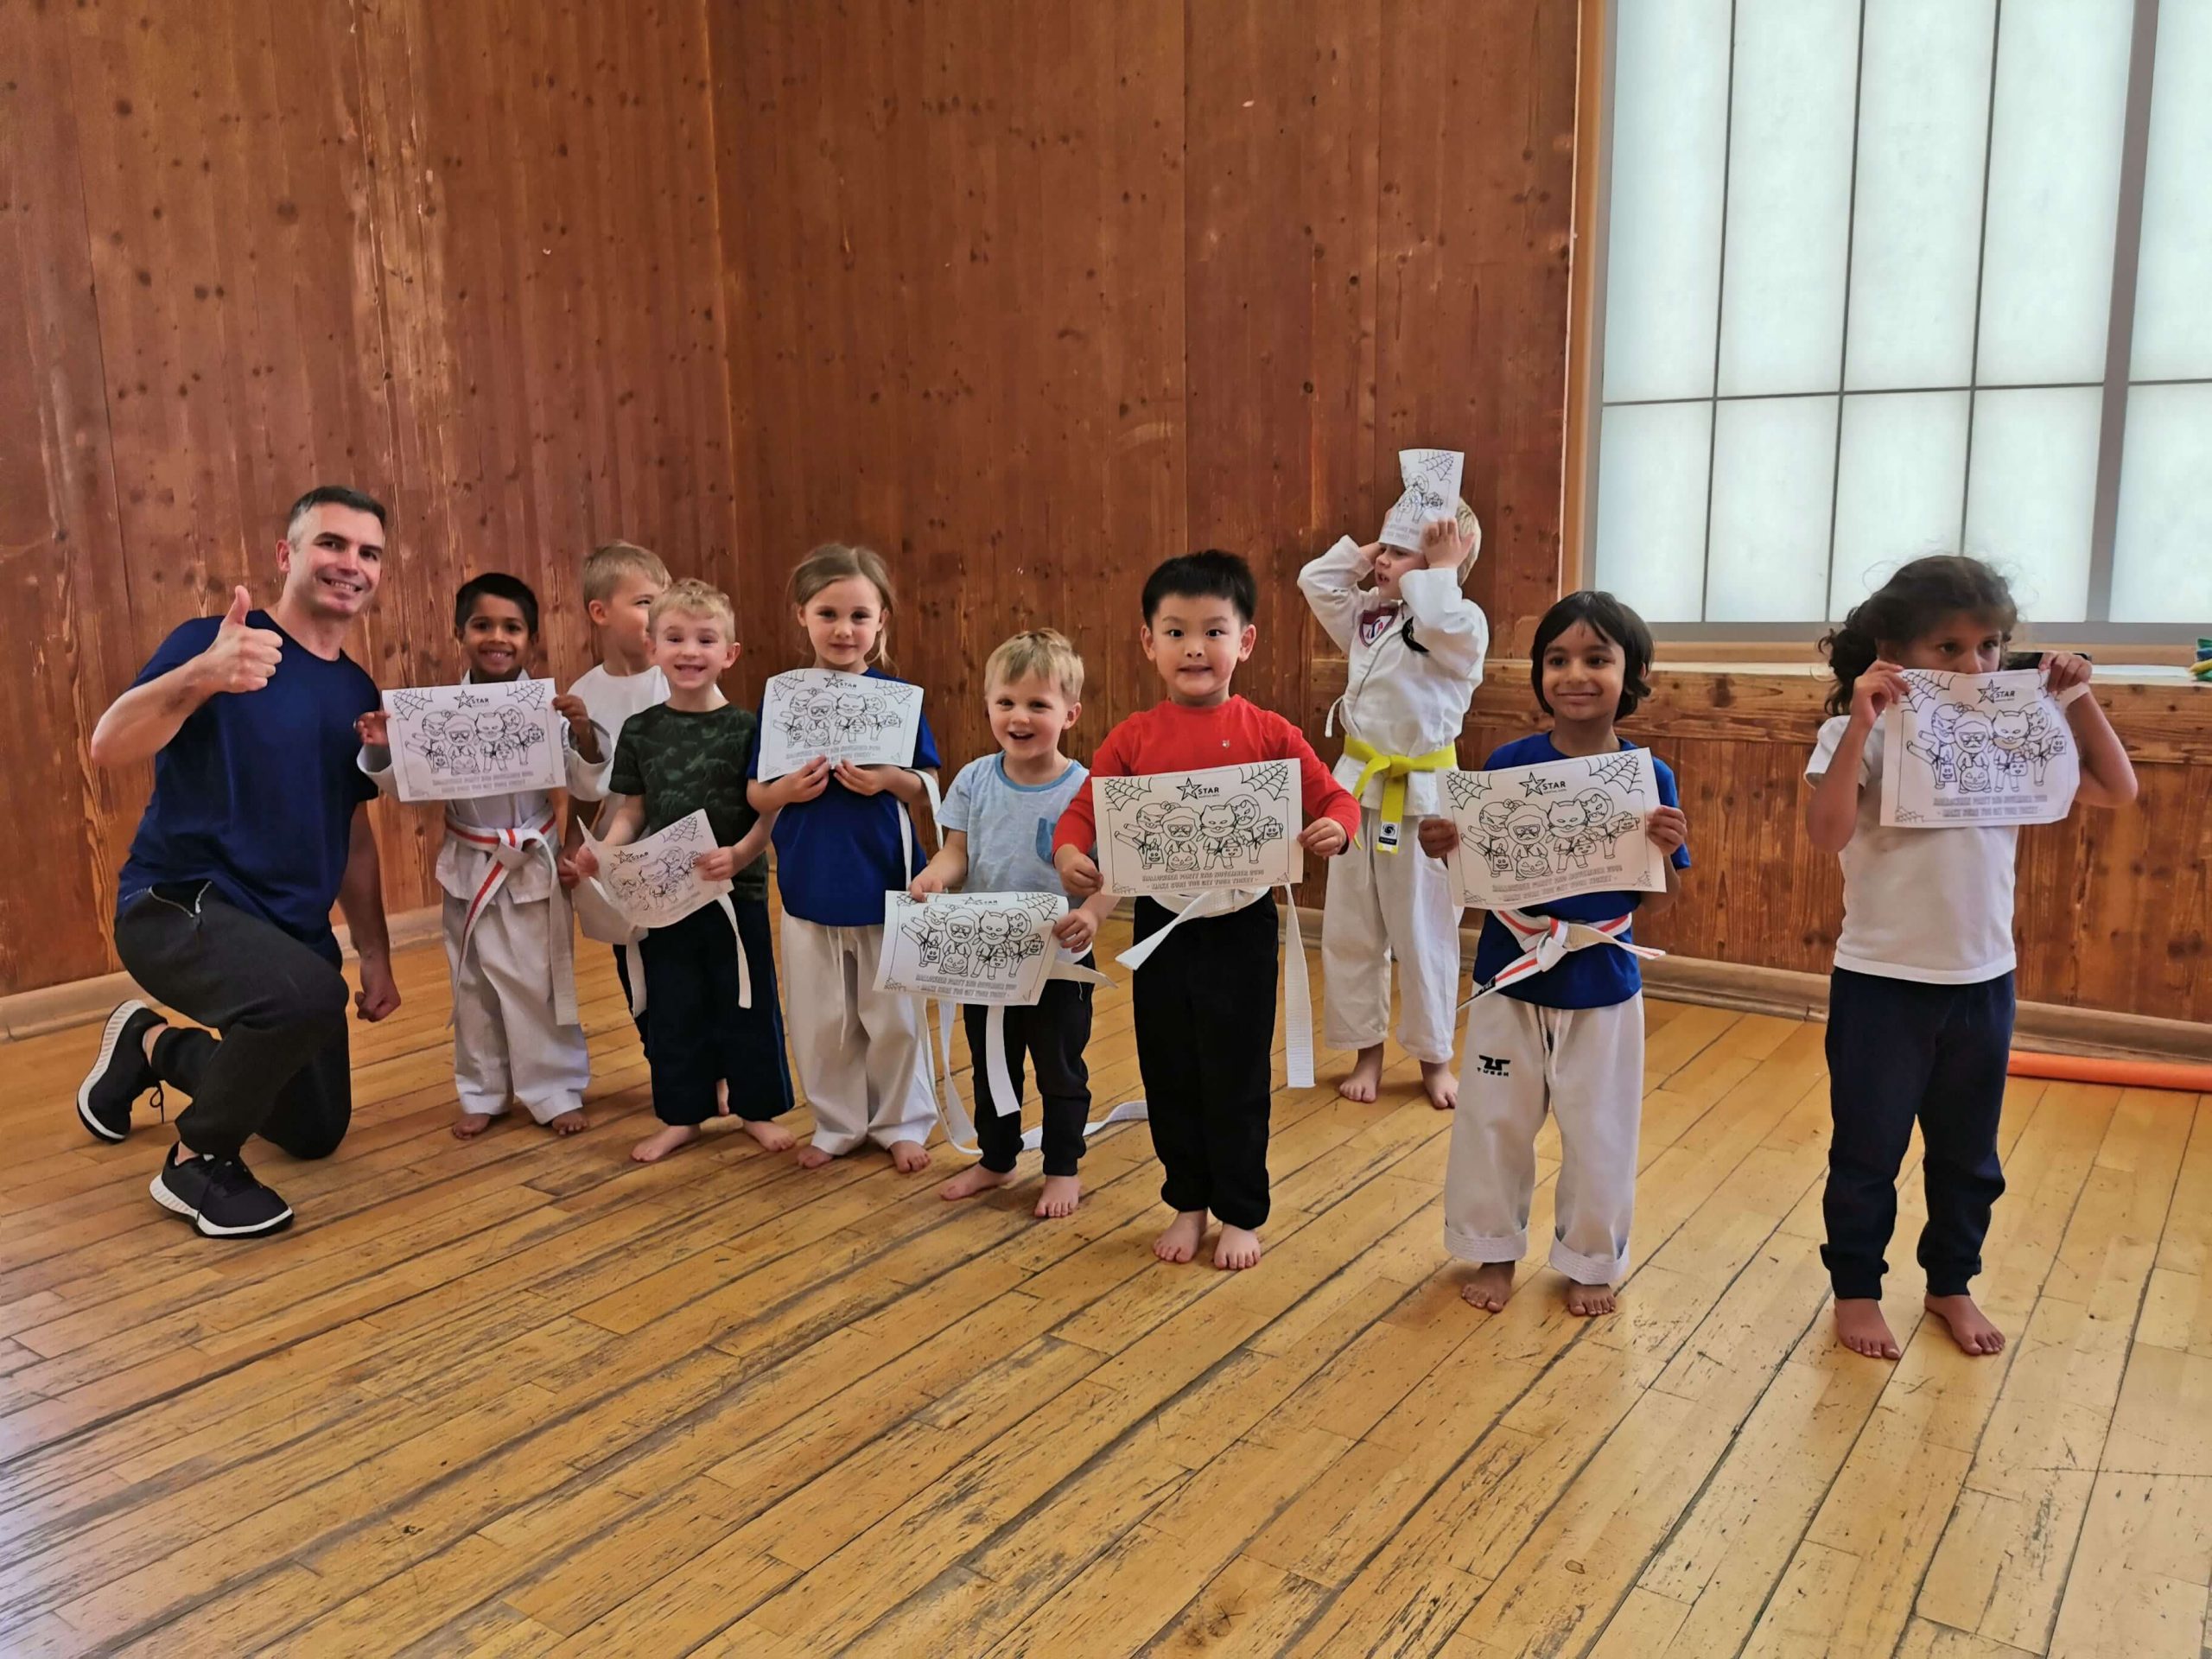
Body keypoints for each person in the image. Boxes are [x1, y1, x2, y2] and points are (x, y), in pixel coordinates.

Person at [1805, 555, 2137, 1359]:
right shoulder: (1859, 734)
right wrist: (1861, 722)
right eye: (1947, 648)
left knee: (1969, 1155)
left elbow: (2115, 788)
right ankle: (1856, 1290)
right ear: (1893, 650)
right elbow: (1826, 832)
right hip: (1882, 981)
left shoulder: (2010, 731)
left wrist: (2076, 697)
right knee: (1867, 1151)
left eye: (1989, 646)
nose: (1976, 665)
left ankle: (1950, 1282)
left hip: (1984, 980)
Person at [73, 486, 400, 1238]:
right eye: (332, 543)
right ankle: (197, 1163)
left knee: (314, 1130)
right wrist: (204, 675)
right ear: (287, 554)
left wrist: (377, 953)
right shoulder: (213, 643)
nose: (351, 564)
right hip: (176, 903)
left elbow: (352, 831)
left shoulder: (357, 691)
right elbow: (108, 745)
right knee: (304, 996)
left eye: (369, 553)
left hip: (292, 933)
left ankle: (149, 1046)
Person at [1053, 550, 1360, 1271]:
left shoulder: (1271, 733)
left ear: (1244, 642)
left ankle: (1240, 1211)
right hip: (1162, 928)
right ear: (1148, 642)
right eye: (1176, 631)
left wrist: (1337, 828)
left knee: (1237, 1073)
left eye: (1214, 631)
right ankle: (1187, 1201)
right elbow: (1082, 811)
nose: (1195, 647)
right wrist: (1069, 852)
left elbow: (1334, 798)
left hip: (1243, 927)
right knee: (1169, 1069)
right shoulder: (1131, 738)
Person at [1415, 592, 1690, 1317]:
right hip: (1509, 974)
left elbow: (1659, 903)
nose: (1576, 675)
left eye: (1597, 659)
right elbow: (1478, 880)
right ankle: (1493, 1248)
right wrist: (1445, 848)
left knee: (1601, 1129)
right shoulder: (1507, 764)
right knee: (1493, 1121)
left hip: (1602, 977)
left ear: (1632, 675)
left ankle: (1592, 1259)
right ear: (1539, 674)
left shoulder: (1649, 778)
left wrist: (1664, 851)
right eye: (1558, 659)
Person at [356, 573, 591, 1140]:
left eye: (512, 627)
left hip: (530, 860)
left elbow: (586, 777)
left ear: (532, 639)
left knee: (537, 983)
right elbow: (409, 790)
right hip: (469, 862)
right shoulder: (435, 713)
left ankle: (555, 1089)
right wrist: (383, 749)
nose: (497, 638)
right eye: (483, 625)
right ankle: (483, 1090)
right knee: (472, 984)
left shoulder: (550, 708)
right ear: (460, 633)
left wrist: (584, 733)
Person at [569, 580, 791, 1162]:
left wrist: (741, 855)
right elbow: (633, 809)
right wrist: (604, 851)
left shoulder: (748, 728)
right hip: (666, 895)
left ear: (729, 653)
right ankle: (682, 1115)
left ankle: (756, 1108)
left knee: (746, 1001)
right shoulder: (641, 729)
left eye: (705, 639)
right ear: (652, 647)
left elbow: (769, 810)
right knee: (674, 1006)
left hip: (735, 889)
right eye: (675, 638)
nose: (690, 651)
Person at [747, 544, 942, 1172]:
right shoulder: (783, 699)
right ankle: (837, 1123)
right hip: (810, 881)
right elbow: (756, 793)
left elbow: (927, 784)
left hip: (885, 879)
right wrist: (786, 790)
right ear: (801, 615)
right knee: (822, 1017)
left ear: (881, 620)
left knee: (895, 1016)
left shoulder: (897, 698)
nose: (843, 629)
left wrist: (888, 779)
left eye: (859, 615)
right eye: (828, 613)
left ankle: (901, 1121)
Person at [911, 630, 1115, 1218]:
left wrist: (1091, 915)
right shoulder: (974, 779)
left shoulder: (1087, 789)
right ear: (987, 705)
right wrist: (934, 877)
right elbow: (957, 852)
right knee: (990, 1063)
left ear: (1070, 713)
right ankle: (997, 1158)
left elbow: (1113, 874)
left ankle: (1062, 1167)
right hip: (987, 960)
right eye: (1006, 702)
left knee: (1060, 1069)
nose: (1019, 717)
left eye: (1037, 704)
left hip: (1060, 964)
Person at [1299, 508, 1488, 1110]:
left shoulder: (1461, 621)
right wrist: (1373, 549)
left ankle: (1435, 1057)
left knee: (1426, 933)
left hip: (1426, 803)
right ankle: (1366, 1050)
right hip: (1357, 792)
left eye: (1400, 552)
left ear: (1445, 563)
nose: (1383, 561)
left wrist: (1441, 570)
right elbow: (1316, 582)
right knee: (1353, 929)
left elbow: (1445, 622)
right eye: (1385, 548)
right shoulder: (1371, 617)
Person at [562, 541, 671, 1046]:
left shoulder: (679, 677)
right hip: (617, 860)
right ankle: (662, 1063)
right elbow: (585, 786)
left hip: (679, 855)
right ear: (600, 612)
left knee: (687, 970)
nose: (659, 613)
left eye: (664, 600)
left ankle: (711, 1074)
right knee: (637, 969)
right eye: (645, 602)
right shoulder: (583, 693)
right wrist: (571, 842)